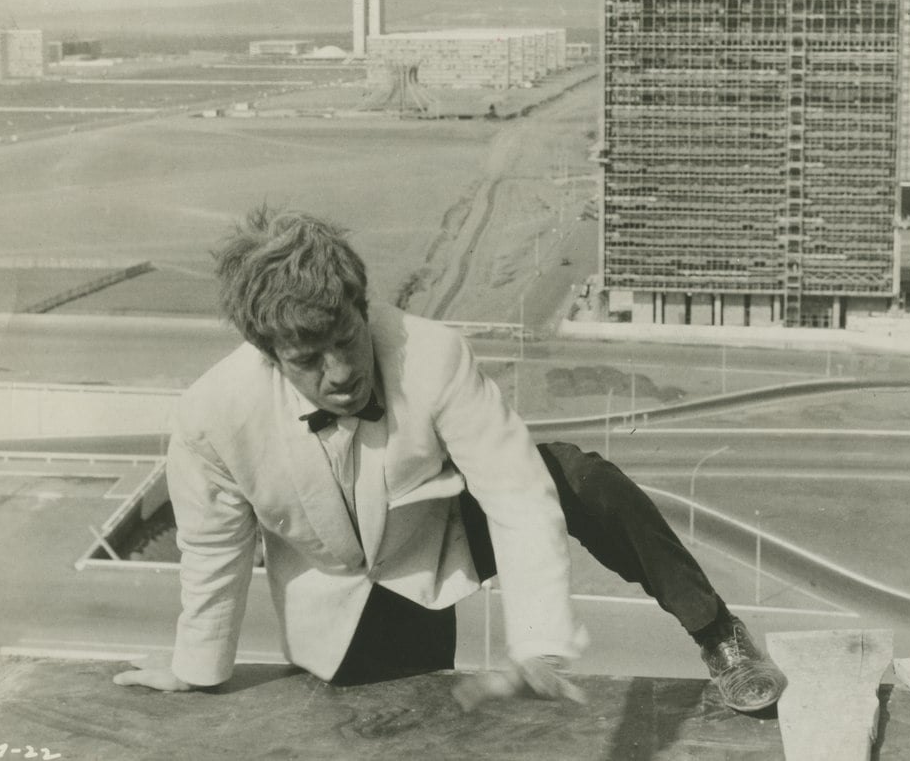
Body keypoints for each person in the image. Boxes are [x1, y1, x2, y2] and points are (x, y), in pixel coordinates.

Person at [114, 207, 786, 712]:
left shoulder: (432, 353)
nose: (342, 372)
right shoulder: (211, 416)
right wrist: (196, 666)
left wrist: (534, 642)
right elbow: (213, 551)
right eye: (308, 360)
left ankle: (718, 631)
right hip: (345, 600)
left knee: (577, 475)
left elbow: (518, 494)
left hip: (439, 532)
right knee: (412, 725)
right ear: (267, 353)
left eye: (348, 338)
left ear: (362, 304)